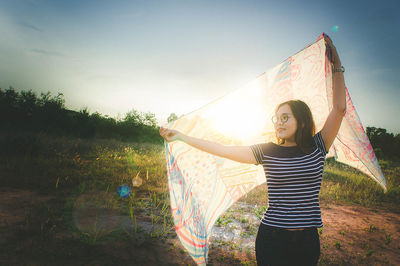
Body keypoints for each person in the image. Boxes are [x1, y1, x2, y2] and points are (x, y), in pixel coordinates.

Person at [159, 35, 346, 266]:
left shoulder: (318, 145)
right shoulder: (267, 151)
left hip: (307, 239)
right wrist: (182, 137)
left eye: (285, 117)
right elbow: (223, 149)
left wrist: (336, 65)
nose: (278, 123)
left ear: (302, 119)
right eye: (276, 119)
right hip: (272, 238)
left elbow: (339, 109)